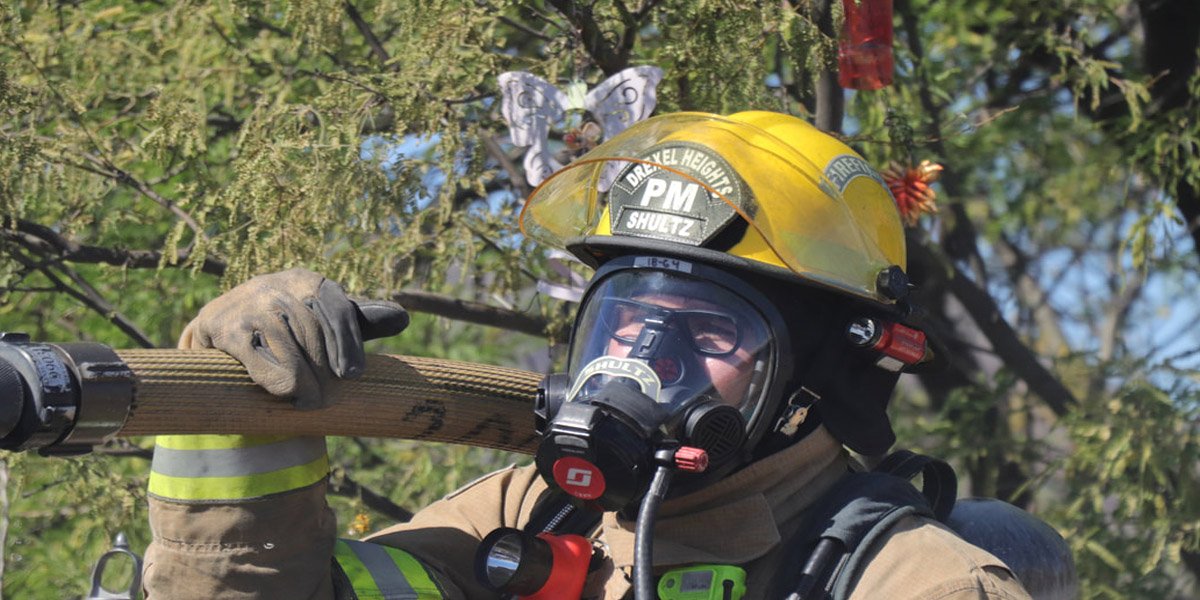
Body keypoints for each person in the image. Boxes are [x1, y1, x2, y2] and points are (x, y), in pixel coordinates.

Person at [142, 111, 1033, 599]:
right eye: (626, 317)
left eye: (708, 331)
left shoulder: (918, 586)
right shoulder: (533, 513)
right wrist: (242, 413)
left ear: (820, 379)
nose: (642, 358)